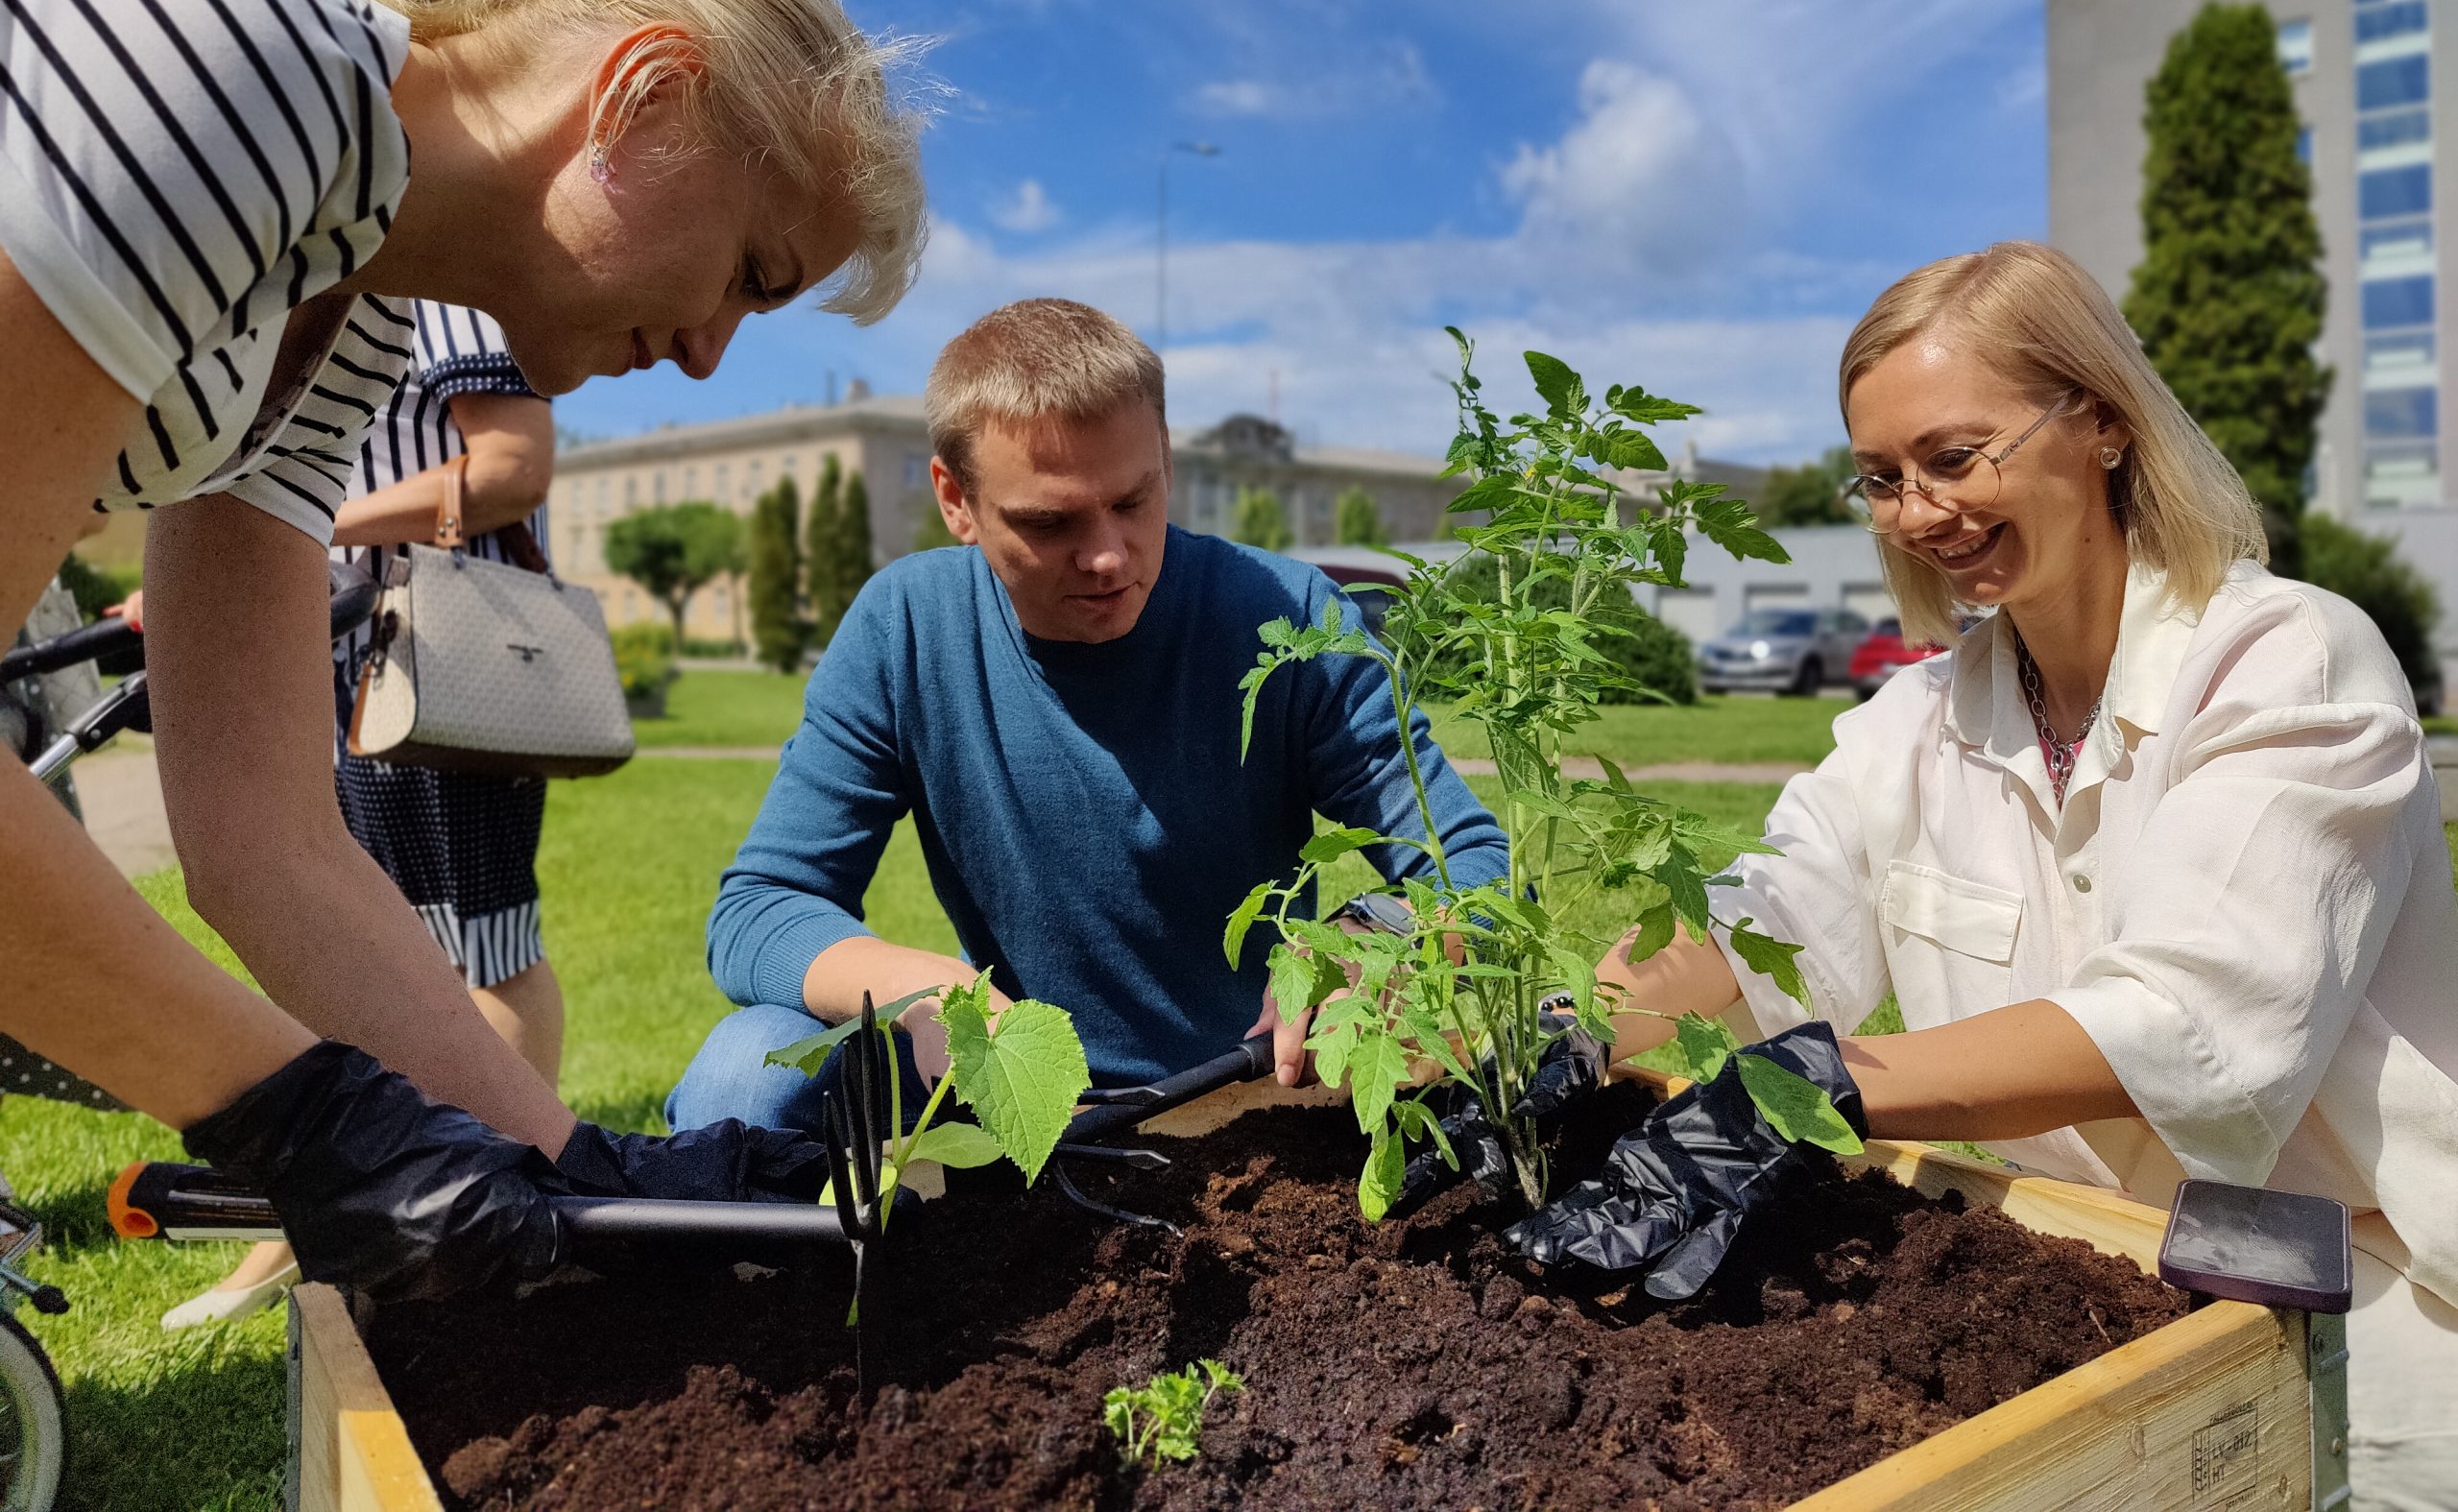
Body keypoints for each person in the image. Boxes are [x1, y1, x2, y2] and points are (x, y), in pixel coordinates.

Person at [0, 0, 927, 1300]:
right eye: (750, 275)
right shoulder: (244, 71)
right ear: (647, 96)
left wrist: (573, 1165)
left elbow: (265, 840)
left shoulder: (353, 305)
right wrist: (309, 1120)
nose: (706, 358)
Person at [1494, 244, 2456, 1507]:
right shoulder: (1922, 718)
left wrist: (1819, 1085)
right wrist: (1560, 1036)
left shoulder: (2288, 666)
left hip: (2348, 1330)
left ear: (2103, 422)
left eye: (1955, 456)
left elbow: (2191, 1021)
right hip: (2076, 1303)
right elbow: (1757, 920)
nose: (1917, 511)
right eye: (1883, 479)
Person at [665, 298, 1508, 1130]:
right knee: (743, 1074)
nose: (1107, 555)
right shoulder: (907, 627)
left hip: (1254, 1090)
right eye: (1049, 521)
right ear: (955, 499)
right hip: (1008, 1096)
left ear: (1166, 458)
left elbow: (1476, 864)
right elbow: (762, 906)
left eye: (1134, 501)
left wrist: (1372, 936)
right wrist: (922, 989)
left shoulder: (1291, 618)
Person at [163, 301, 566, 1327]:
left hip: (451, 669)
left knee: (486, 943)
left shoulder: (456, 296)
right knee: (380, 937)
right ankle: (375, 1205)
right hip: (368, 669)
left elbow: (514, 464)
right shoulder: (359, 288)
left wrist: (313, 525)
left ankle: (498, 1195)